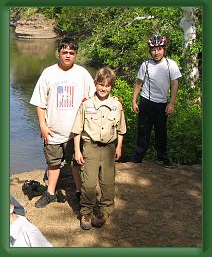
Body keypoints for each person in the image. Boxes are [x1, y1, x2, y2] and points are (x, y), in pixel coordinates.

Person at [30, 35, 96, 208]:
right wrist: (43, 126)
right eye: (64, 51)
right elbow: (39, 103)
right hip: (53, 130)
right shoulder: (48, 73)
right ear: (58, 53)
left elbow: (94, 98)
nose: (67, 55)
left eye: (71, 52)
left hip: (76, 132)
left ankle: (79, 192)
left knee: (76, 163)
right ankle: (50, 193)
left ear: (76, 55)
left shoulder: (82, 74)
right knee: (53, 163)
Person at [72, 67, 126, 230]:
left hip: (109, 148)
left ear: (111, 87)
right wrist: (77, 150)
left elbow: (121, 129)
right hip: (90, 147)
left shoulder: (117, 105)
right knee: (88, 183)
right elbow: (77, 130)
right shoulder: (86, 104)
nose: (104, 88)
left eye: (108, 85)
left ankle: (105, 210)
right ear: (96, 84)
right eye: (101, 84)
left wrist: (119, 147)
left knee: (108, 183)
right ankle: (86, 212)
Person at [131, 35, 182, 167]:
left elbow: (174, 83)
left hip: (162, 104)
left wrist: (172, 103)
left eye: (159, 49)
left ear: (164, 49)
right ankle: (137, 159)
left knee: (161, 132)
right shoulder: (146, 65)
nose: (156, 52)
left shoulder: (171, 64)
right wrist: (134, 101)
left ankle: (163, 158)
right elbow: (138, 82)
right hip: (146, 102)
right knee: (143, 131)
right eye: (153, 49)